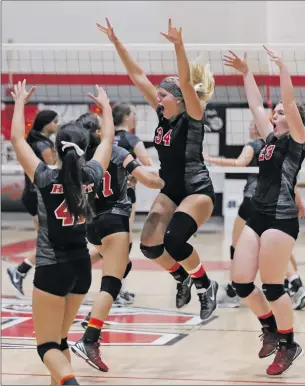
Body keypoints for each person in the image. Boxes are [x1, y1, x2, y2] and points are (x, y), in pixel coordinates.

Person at [97, 17, 218, 320]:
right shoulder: (164, 114)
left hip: (196, 188)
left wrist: (178, 45)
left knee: (175, 241)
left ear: (178, 99)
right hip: (171, 187)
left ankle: (205, 285)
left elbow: (186, 82)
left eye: (163, 94)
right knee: (150, 246)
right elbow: (138, 76)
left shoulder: (192, 114)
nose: (157, 97)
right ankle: (183, 277)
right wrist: (116, 42)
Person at [10, 80, 114, 385]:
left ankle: (70, 382)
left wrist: (19, 102)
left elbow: (17, 139)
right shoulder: (93, 173)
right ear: (85, 149)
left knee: (46, 346)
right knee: (61, 339)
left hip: (51, 268)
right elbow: (107, 137)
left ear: (55, 148)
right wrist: (105, 107)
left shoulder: (43, 176)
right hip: (82, 267)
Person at [224, 47, 305, 375]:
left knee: (273, 285)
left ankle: (288, 344)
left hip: (281, 218)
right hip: (258, 214)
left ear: (294, 118)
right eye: (273, 114)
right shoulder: (270, 138)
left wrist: (284, 68)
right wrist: (246, 72)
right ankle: (271, 328)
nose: (273, 115)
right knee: (242, 281)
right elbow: (256, 105)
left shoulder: (297, 139)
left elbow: (288, 103)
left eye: (279, 113)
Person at [71, 112, 164, 372]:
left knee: (122, 266)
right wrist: (169, 183)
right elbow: (146, 179)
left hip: (93, 225)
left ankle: (79, 280)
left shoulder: (78, 158)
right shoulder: (115, 150)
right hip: (114, 220)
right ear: (100, 133)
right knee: (111, 284)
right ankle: (89, 338)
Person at [205, 120, 264, 308]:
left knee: (236, 245)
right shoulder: (274, 145)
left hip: (251, 200)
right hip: (269, 201)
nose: (249, 126)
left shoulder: (253, 145)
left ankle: (235, 289)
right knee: (263, 245)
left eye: (252, 124)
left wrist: (210, 158)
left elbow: (240, 163)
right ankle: (289, 284)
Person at [7, 109, 58, 297]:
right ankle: (20, 270)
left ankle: (28, 272)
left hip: (33, 195)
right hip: (38, 196)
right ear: (47, 124)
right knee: (49, 241)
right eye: (55, 121)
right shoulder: (42, 144)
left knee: (49, 241)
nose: (57, 125)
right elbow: (55, 168)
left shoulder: (35, 141)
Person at [112, 102, 153, 304]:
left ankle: (119, 287)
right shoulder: (131, 139)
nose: (136, 118)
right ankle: (116, 289)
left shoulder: (106, 138)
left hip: (106, 194)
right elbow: (148, 164)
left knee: (111, 242)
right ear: (126, 117)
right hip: (126, 195)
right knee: (123, 243)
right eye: (134, 114)